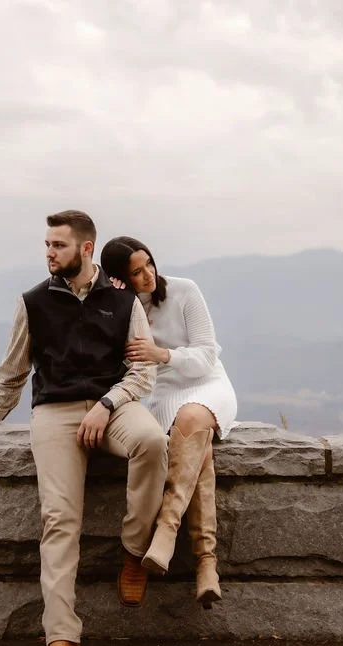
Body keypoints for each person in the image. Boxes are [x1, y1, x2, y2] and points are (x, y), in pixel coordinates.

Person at [0, 211, 168, 646]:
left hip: (114, 407)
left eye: (58, 245)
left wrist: (107, 402)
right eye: (47, 244)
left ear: (87, 248)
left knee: (154, 441)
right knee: (60, 519)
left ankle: (134, 551)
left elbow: (142, 372)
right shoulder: (33, 301)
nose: (49, 253)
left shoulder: (122, 302)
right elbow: (14, 367)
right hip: (54, 413)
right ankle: (61, 637)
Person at [99, 236, 238, 609]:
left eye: (149, 265)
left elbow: (207, 356)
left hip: (207, 384)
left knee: (192, 419)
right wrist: (117, 304)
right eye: (136, 273)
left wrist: (162, 354)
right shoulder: (122, 306)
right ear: (120, 279)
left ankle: (166, 530)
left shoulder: (184, 291)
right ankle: (207, 563)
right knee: (196, 445)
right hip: (164, 398)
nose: (148, 275)